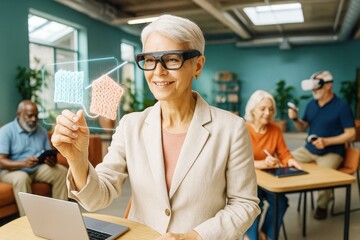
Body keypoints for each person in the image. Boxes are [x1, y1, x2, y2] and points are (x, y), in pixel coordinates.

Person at [51, 14, 260, 240]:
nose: (158, 71)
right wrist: (77, 158)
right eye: (149, 60)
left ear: (197, 65)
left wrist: (195, 236)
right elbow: (96, 198)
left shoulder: (231, 129)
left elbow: (244, 203)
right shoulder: (131, 126)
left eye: (171, 59)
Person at [288, 70, 356, 220]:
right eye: (312, 87)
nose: (314, 90)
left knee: (324, 176)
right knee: (286, 159)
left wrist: (327, 141)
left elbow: (351, 134)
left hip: (332, 151)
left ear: (329, 85)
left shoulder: (342, 106)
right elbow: (302, 127)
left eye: (317, 86)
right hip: (309, 149)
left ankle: (322, 205)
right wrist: (295, 119)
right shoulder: (311, 105)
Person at [243, 90, 302, 240]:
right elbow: (236, 161)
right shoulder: (242, 128)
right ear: (252, 110)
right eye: (262, 109)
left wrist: (290, 160)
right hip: (247, 179)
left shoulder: (275, 129)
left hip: (268, 179)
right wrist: (261, 163)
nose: (267, 113)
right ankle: (250, 237)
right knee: (255, 205)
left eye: (270, 109)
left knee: (281, 202)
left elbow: (284, 153)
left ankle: (264, 234)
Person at [0, 100, 68, 216]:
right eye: (30, 116)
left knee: (61, 171)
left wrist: (51, 161)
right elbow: (1, 161)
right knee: (22, 177)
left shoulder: (41, 131)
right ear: (19, 114)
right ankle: (27, 221)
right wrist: (23, 164)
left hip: (36, 167)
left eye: (36, 115)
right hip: (11, 170)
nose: (34, 119)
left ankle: (61, 214)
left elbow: (47, 153)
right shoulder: (6, 131)